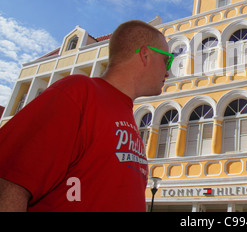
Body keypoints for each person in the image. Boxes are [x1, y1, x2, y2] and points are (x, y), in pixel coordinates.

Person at [0, 20, 170, 212]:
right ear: (145, 55)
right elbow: (10, 183)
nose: (169, 71)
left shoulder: (127, 114)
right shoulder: (78, 92)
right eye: (167, 60)